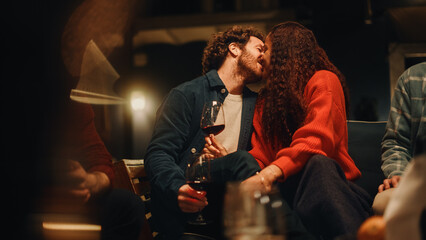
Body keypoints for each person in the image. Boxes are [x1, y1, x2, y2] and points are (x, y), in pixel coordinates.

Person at [204, 22, 373, 239]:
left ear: (284, 52)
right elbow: (262, 156)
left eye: (265, 49)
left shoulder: (323, 80)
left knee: (317, 164)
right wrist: (234, 162)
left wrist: (267, 175)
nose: (261, 56)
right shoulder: (265, 103)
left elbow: (315, 141)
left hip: (335, 193)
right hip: (289, 197)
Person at [144, 26, 265, 240]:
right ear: (234, 49)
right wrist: (177, 188)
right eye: (259, 48)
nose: (263, 56)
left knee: (241, 161)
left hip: (231, 212)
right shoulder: (186, 94)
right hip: (188, 215)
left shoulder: (257, 104)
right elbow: (159, 153)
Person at [42, 101, 146, 240]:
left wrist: (90, 182)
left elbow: (99, 157)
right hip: (28, 197)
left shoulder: (74, 101)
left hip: (76, 197)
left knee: (128, 204)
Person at [372, 61, 426, 215]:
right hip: (420, 182)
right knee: (383, 203)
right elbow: (397, 143)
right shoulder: (412, 78)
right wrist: (400, 176)